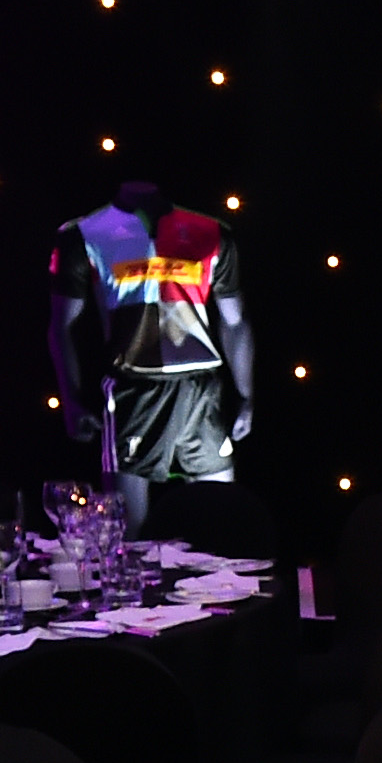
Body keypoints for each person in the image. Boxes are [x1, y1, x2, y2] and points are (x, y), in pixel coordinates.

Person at [46, 181, 255, 526]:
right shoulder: (84, 235)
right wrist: (71, 400)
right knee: (129, 533)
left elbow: (236, 323)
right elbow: (61, 326)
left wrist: (246, 396)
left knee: (221, 525)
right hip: (134, 390)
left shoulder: (212, 232)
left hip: (201, 390)